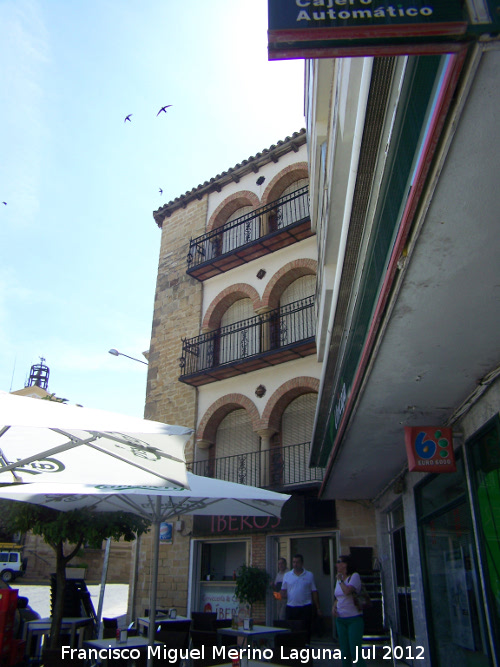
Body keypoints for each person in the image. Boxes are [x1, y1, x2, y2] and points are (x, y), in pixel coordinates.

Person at [332, 554, 366, 666]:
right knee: (344, 651)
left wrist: (341, 581)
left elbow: (347, 591)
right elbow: (338, 597)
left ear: (345, 564)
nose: (337, 564)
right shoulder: (339, 579)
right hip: (341, 618)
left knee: (355, 651)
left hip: (354, 618)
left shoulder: (354, 576)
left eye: (339, 562)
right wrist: (334, 607)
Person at [281, 554, 321, 641]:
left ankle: (305, 648)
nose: (295, 564)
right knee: (291, 630)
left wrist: (318, 608)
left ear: (302, 563)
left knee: (305, 630)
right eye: (294, 562)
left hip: (305, 607)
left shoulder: (309, 575)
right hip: (291, 607)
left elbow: (314, 591)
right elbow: (283, 591)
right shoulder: (287, 575)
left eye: (297, 562)